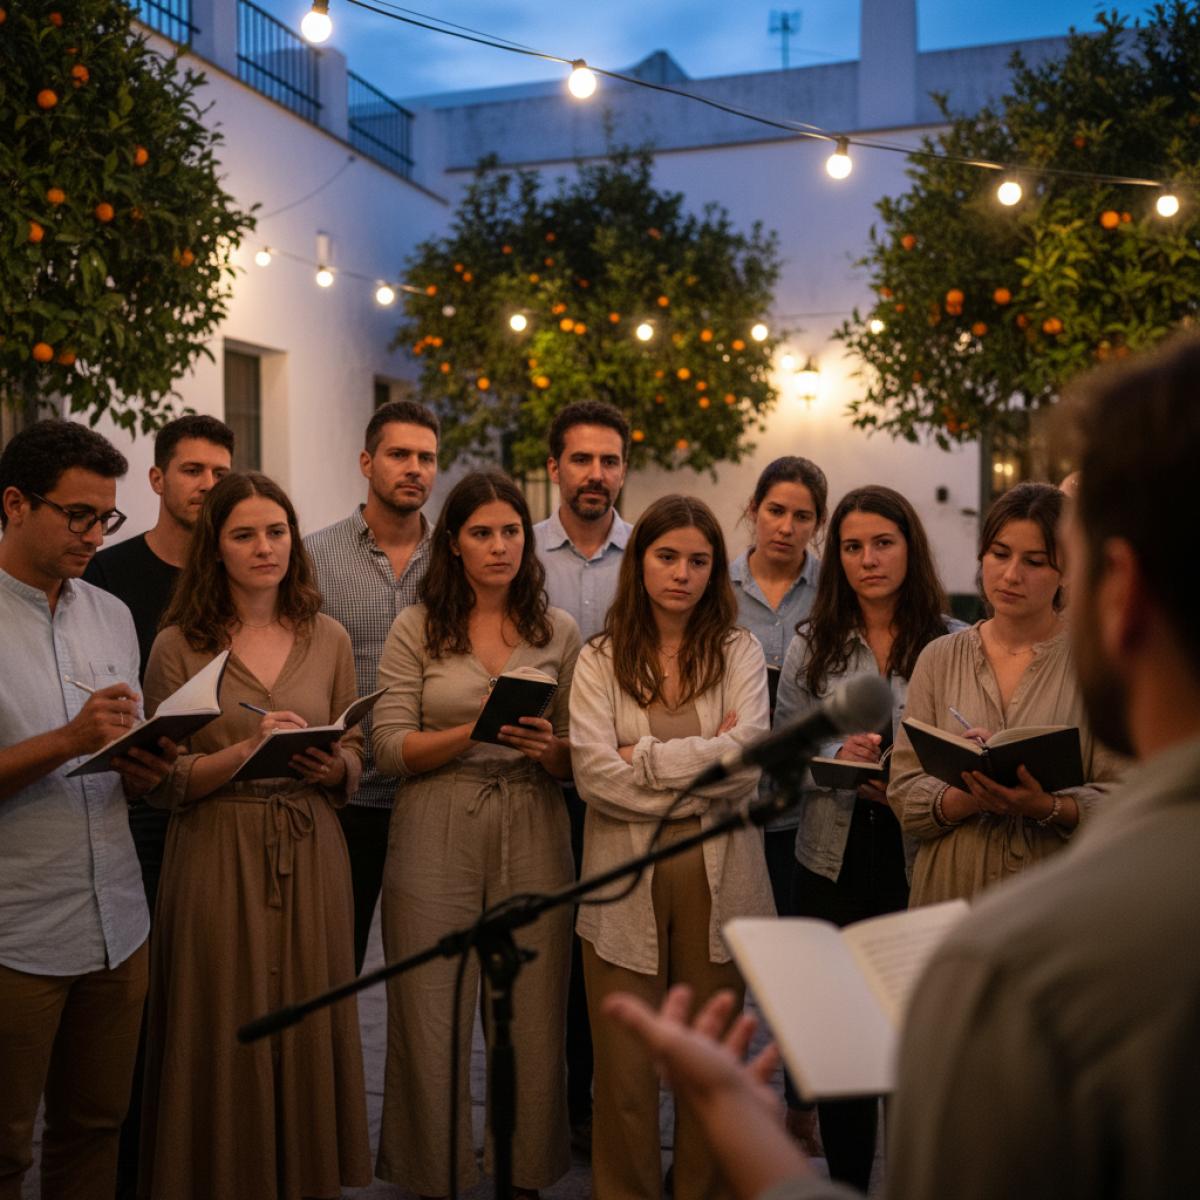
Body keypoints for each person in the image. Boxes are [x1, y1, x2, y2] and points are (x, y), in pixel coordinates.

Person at [603, 331, 1200, 1200]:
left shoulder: (1015, 969)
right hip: (853, 849)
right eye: (1003, 556)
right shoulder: (887, 653)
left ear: (1118, 593)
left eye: (1050, 561)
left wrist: (734, 1116)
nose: (1021, 577)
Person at [138, 472, 371, 1200]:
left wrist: (335, 765)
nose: (264, 547)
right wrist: (242, 753)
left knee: (309, 1018)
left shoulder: (327, 635)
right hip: (217, 849)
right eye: (243, 534)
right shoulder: (178, 645)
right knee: (220, 1021)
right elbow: (159, 776)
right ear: (216, 548)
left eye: (276, 532)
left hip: (311, 845)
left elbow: (357, 748)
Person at [372, 469, 580, 1199]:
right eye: (482, 533)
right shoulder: (416, 626)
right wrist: (473, 729)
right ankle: (434, 1177)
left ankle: (521, 1176)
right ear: (453, 545)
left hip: (533, 815)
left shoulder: (558, 630)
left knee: (531, 1010)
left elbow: (576, 753)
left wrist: (550, 751)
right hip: (437, 816)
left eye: (512, 532)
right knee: (431, 1008)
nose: (500, 547)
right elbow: (389, 748)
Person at [569, 493, 775, 1200]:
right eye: (666, 556)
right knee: (624, 1076)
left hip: (725, 886)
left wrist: (648, 756)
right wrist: (702, 758)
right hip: (623, 885)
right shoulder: (598, 657)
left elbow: (747, 761)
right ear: (640, 562)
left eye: (697, 559)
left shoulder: (738, 649)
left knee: (709, 1068)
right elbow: (595, 776)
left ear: (715, 569)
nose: (681, 573)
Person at [0, 420, 173, 1200]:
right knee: (6, 1149)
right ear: (12, 503)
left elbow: (112, 755)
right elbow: (73, 743)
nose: (94, 535)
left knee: (96, 1129)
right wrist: (67, 739)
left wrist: (141, 766)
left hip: (117, 921)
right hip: (18, 931)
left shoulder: (111, 614)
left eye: (106, 518)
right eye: (76, 515)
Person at [774, 485, 961, 1190]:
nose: (867, 559)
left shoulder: (950, 640)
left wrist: (918, 769)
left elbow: (967, 744)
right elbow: (779, 759)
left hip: (921, 854)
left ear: (910, 547)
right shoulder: (810, 645)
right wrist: (833, 760)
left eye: (883, 543)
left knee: (916, 1043)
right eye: (851, 546)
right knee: (846, 1050)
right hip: (831, 854)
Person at [83, 412, 233, 1200]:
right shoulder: (107, 575)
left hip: (212, 804)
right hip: (128, 808)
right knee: (136, 1011)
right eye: (192, 471)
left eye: (219, 473)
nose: (206, 485)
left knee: (202, 1000)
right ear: (157, 481)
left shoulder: (234, 573)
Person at [889, 482, 1122, 907]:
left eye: (1034, 562)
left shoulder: (1096, 662)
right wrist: (965, 796)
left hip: (1050, 899)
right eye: (1000, 554)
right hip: (951, 892)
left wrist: (1046, 805)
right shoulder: (939, 657)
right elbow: (903, 790)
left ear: (1067, 571)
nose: (1012, 575)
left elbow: (1125, 797)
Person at [306, 398, 438, 974]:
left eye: (427, 458)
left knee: (430, 974)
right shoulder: (314, 555)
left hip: (430, 790)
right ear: (367, 461)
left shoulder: (456, 556)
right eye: (399, 454)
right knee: (335, 962)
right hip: (346, 795)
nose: (415, 468)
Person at [533, 398, 634, 1147]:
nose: (596, 475)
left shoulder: (654, 550)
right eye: (582, 460)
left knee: (618, 946)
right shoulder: (518, 550)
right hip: (540, 781)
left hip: (629, 780)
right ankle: (559, 1105)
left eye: (609, 461)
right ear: (554, 467)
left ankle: (615, 1102)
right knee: (553, 954)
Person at [728, 456, 826, 1148]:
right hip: (728, 806)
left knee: (798, 968)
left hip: (802, 807)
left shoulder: (833, 590)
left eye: (802, 516)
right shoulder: (716, 580)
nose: (786, 527)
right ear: (753, 508)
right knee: (724, 971)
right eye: (776, 510)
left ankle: (800, 1105)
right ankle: (721, 1117)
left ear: (817, 524)